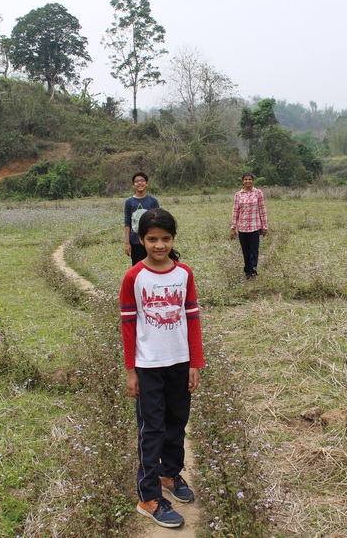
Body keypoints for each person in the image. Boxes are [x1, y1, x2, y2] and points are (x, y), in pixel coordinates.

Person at [120, 208, 204, 529]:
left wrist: (195, 362)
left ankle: (170, 473)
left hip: (180, 363)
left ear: (173, 239)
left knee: (176, 421)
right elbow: (128, 326)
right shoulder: (134, 277)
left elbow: (192, 319)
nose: (159, 245)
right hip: (148, 366)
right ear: (141, 240)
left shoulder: (184, 274)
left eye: (165, 239)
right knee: (151, 429)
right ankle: (148, 495)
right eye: (152, 239)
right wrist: (131, 371)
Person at [230, 172, 268, 279]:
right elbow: (235, 211)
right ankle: (247, 270)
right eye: (246, 179)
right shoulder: (238, 195)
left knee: (254, 250)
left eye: (250, 179)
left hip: (255, 227)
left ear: (252, 181)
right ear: (242, 181)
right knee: (245, 250)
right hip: (242, 227)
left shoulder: (258, 193)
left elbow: (262, 209)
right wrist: (233, 227)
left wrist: (264, 226)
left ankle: (252, 272)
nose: (248, 181)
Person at [124, 172, 160, 266]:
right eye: (136, 181)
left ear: (147, 183)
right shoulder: (129, 202)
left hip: (151, 240)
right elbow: (127, 222)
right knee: (137, 267)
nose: (139, 183)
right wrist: (127, 243)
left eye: (142, 180)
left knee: (153, 265)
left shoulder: (153, 201)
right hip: (135, 241)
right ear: (133, 185)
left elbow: (158, 221)